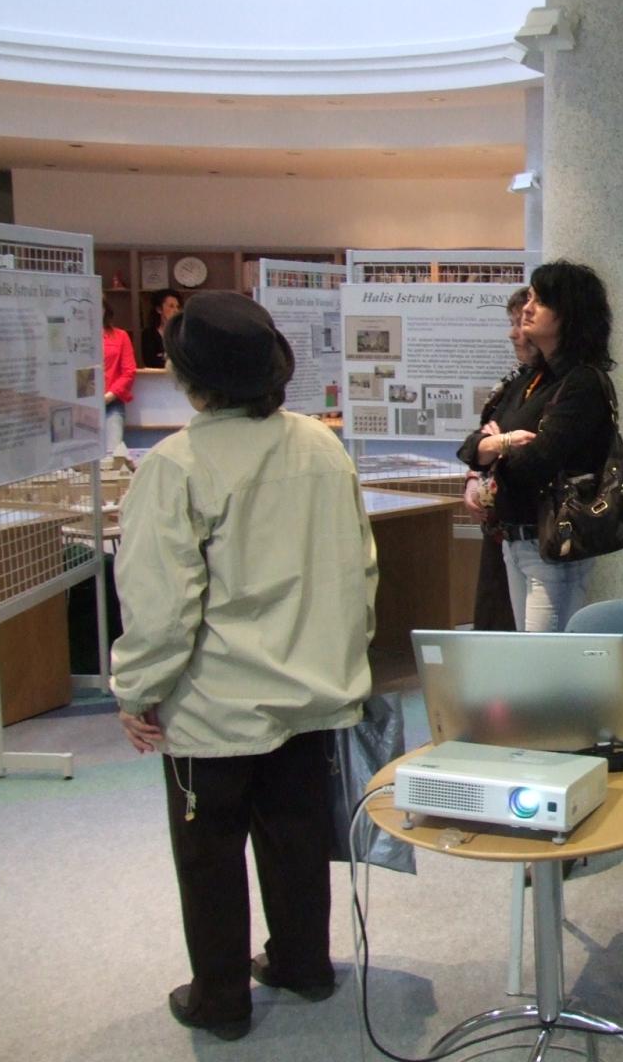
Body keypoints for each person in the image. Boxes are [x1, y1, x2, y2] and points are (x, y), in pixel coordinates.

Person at [110, 292, 377, 1040]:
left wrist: (136, 689)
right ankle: (303, 963)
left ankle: (221, 999)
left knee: (210, 854)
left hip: (215, 704)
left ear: (188, 376)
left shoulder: (175, 465)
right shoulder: (322, 447)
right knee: (297, 834)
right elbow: (360, 572)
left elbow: (161, 605)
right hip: (312, 693)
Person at [470, 260, 617, 631]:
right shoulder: (531, 378)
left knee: (544, 658)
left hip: (551, 543)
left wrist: (494, 448)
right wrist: (500, 443)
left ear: (569, 314)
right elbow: (472, 446)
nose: (527, 309)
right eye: (529, 298)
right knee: (530, 652)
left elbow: (536, 461)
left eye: (540, 300)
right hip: (516, 538)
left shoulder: (582, 382)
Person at [456, 288, 542, 633]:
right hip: (498, 527)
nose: (513, 333)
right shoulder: (511, 383)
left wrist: (497, 444)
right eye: (513, 322)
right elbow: (477, 444)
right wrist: (473, 480)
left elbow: (527, 447)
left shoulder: (554, 386)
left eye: (521, 323)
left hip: (531, 529)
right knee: (494, 619)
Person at [100, 299, 136, 457]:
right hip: (81, 406)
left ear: (105, 309)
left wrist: (109, 396)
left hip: (111, 403)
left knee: (113, 455)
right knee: (80, 459)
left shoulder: (120, 336)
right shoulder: (74, 337)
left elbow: (129, 372)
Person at [140, 288, 182, 368]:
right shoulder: (148, 334)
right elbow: (150, 361)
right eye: (171, 306)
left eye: (177, 307)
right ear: (159, 309)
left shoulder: (182, 333)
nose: (176, 311)